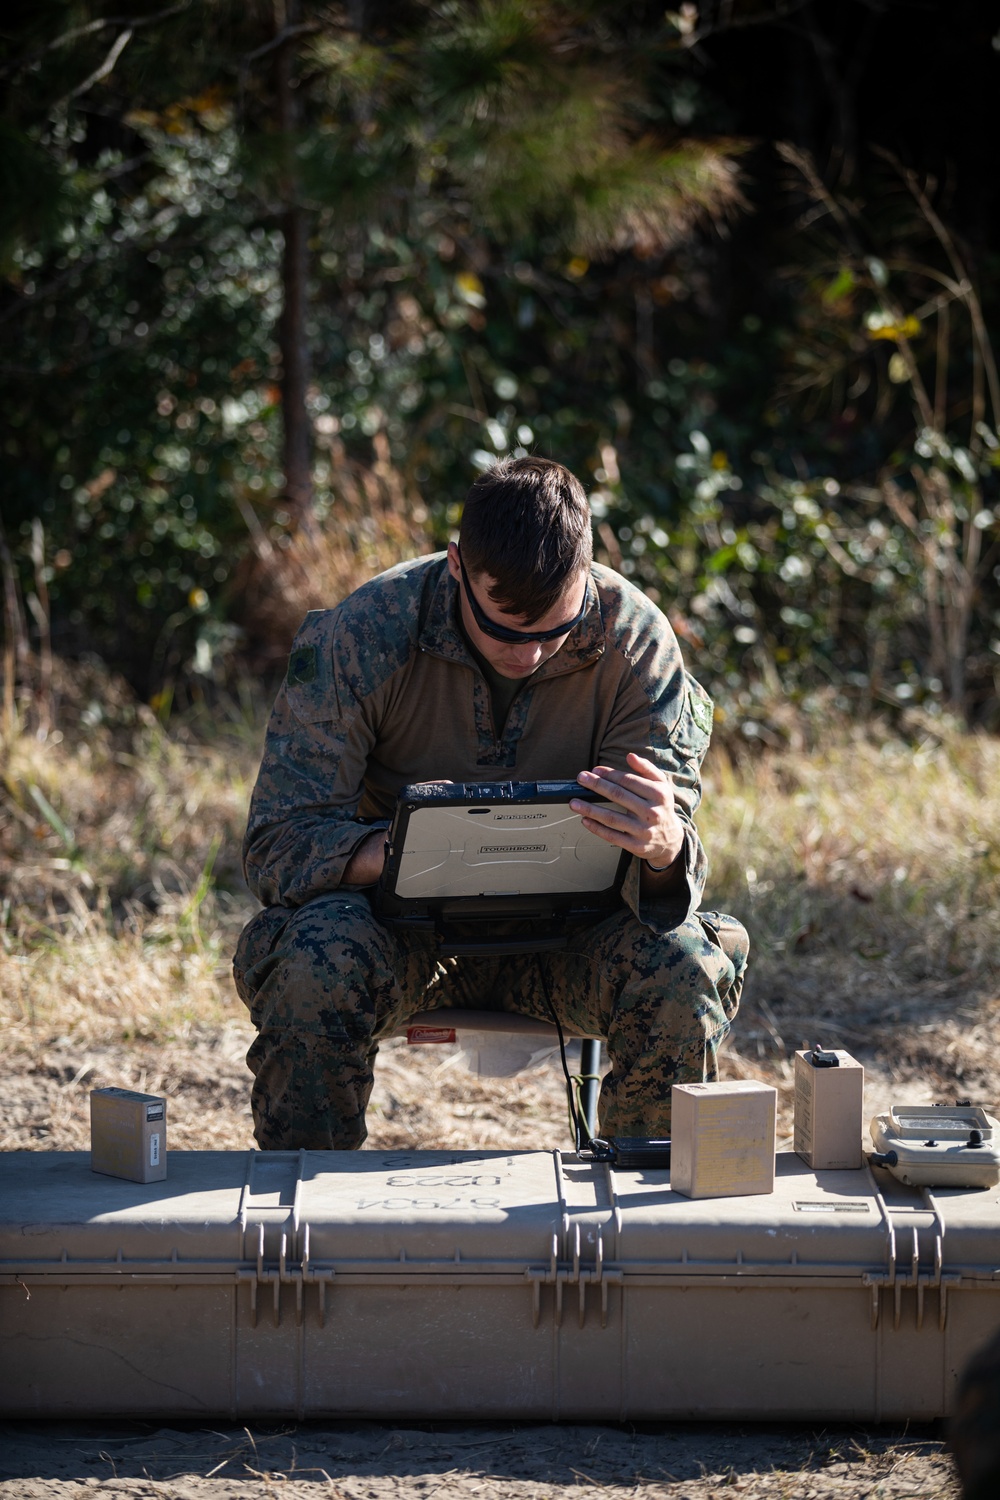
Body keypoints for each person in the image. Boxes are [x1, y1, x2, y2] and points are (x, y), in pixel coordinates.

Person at [234, 455, 749, 1150]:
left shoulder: (635, 644)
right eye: (506, 627)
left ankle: (649, 1226)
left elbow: (665, 868)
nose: (530, 654)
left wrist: (663, 847)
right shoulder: (365, 633)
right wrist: (390, 854)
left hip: (574, 939)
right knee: (312, 966)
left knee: (685, 966)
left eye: (555, 631)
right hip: (401, 935)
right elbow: (276, 844)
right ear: (456, 568)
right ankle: (305, 1228)